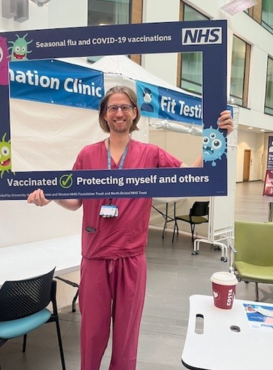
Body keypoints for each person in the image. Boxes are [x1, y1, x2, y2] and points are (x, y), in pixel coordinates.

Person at [27, 86, 233, 370]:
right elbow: (75, 201)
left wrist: (217, 138)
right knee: (92, 333)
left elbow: (192, 178)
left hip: (131, 258)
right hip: (96, 257)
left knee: (126, 338)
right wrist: (49, 197)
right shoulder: (87, 155)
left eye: (125, 107)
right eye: (112, 108)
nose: (119, 113)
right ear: (104, 114)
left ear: (135, 112)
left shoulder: (151, 154)